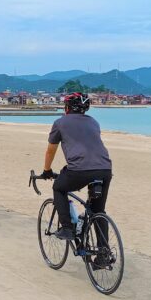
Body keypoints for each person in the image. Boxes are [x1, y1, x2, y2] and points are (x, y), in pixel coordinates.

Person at [41, 92, 113, 267]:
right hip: (105, 169)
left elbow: (51, 150)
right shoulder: (94, 122)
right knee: (98, 211)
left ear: (66, 108)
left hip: (79, 170)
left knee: (59, 188)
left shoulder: (59, 123)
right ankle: (103, 253)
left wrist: (47, 170)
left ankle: (67, 228)